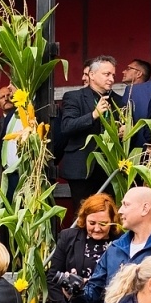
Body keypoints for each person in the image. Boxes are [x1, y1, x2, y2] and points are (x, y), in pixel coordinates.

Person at [77, 187, 151, 303]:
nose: (120, 211)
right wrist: (74, 291)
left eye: (126, 204)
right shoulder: (115, 248)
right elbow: (94, 295)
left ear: (145, 209)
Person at [57, 55, 121, 198]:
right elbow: (67, 126)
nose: (111, 79)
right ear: (91, 75)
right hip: (82, 168)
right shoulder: (74, 97)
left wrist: (121, 131)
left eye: (113, 75)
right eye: (107, 74)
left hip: (109, 168)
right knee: (82, 214)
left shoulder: (118, 100)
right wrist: (94, 115)